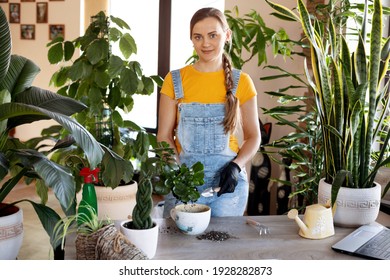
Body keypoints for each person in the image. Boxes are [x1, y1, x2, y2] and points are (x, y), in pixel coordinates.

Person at [157, 7, 261, 217]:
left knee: (221, 248)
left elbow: (253, 137)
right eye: (198, 37)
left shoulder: (242, 82)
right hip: (183, 183)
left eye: (213, 35)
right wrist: (177, 174)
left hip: (227, 186)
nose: (205, 43)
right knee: (181, 246)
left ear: (227, 35)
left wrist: (236, 167)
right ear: (192, 40)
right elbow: (164, 136)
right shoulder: (175, 80)